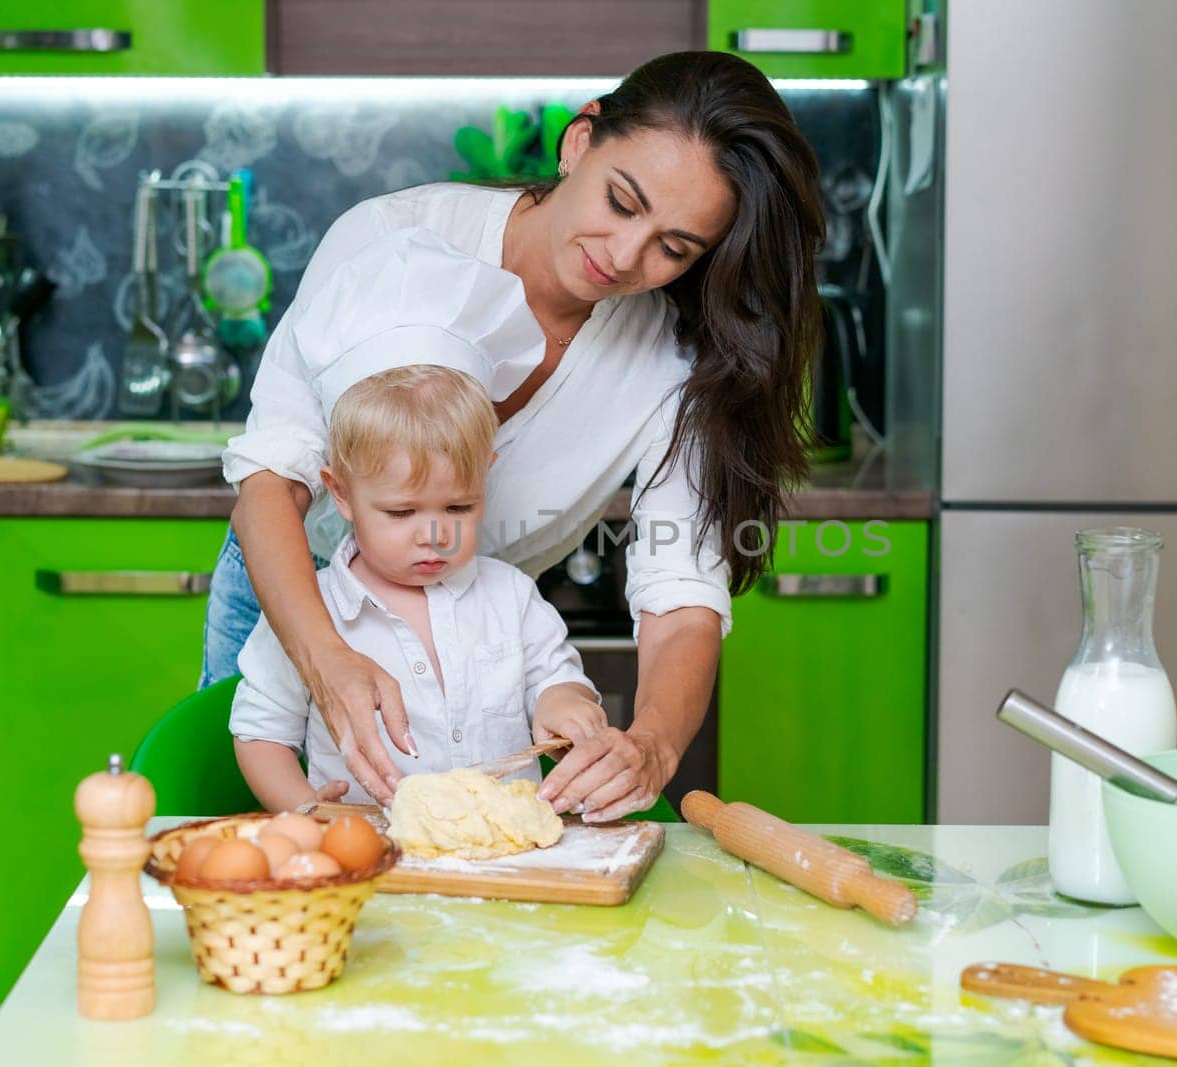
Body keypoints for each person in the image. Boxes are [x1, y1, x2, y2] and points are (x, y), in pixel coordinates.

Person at [208, 50, 825, 821]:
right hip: (299, 589)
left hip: (480, 623)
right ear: (580, 142)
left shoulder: (682, 349)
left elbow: (681, 589)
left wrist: (652, 745)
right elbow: (272, 481)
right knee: (278, 890)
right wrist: (327, 658)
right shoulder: (393, 239)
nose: (625, 257)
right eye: (622, 201)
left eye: (675, 248)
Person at [230, 365, 608, 811]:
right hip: (370, 858)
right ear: (342, 494)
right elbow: (262, 735)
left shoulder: (512, 596)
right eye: (401, 512)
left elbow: (557, 678)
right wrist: (306, 810)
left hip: (503, 859)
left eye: (457, 506)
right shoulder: (308, 610)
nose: (434, 534)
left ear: (484, 478)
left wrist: (564, 699)